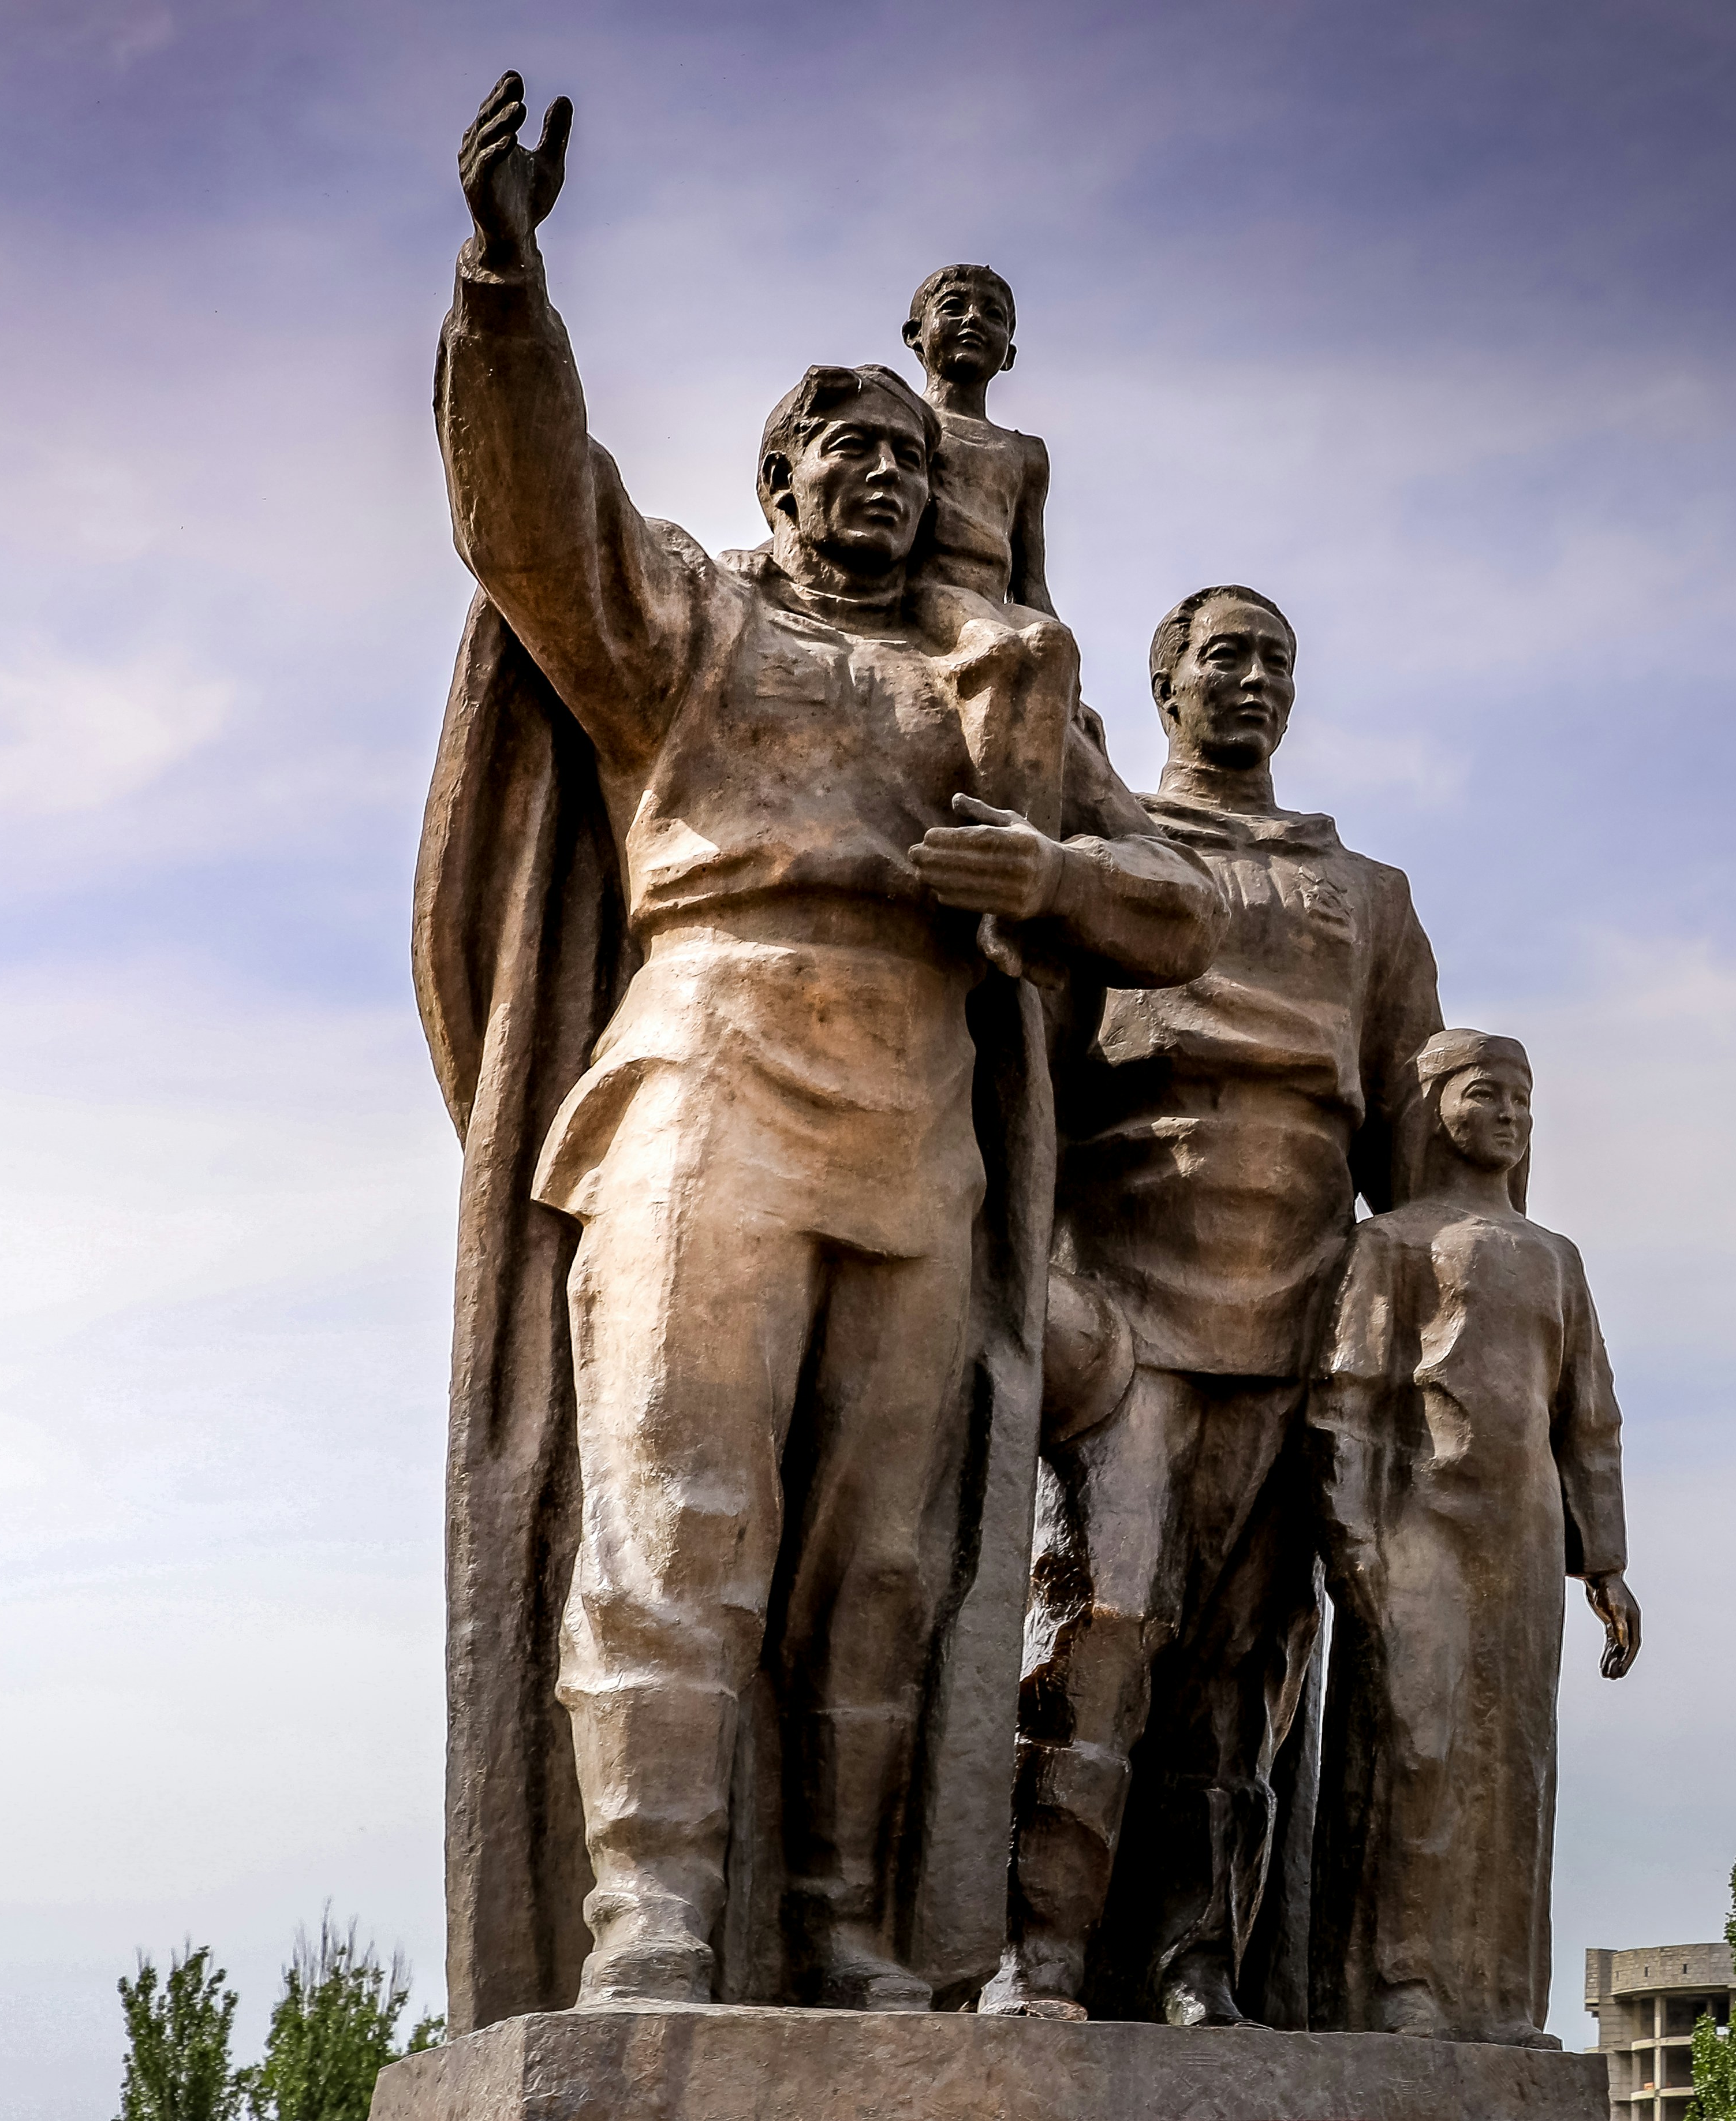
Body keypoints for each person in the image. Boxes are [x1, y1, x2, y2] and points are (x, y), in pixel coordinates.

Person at [416, 72, 1224, 2020]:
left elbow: (1175, 914)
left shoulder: (988, 672)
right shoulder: (686, 622)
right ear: (776, 491)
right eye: (836, 454)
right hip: (708, 1067)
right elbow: (535, 518)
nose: (876, 479)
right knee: (679, 1503)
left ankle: (850, 1926)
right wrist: (508, 283)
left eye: (899, 458)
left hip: (916, 1107)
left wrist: (1048, 872)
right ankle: (654, 1915)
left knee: (884, 1555)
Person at [995, 586, 1446, 2026]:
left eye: (1277, 662)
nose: (1254, 682)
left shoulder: (1363, 894)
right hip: (1120, 1291)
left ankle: (1197, 1959)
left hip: (1302, 1307)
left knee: (1244, 1670)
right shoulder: (1105, 849)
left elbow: (1425, 1145)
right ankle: (1040, 1954)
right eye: (1226, 657)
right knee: (1093, 1623)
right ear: (1164, 677)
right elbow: (1019, 1065)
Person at [1303, 1030, 1639, 2046]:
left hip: (1527, 1535)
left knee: (1514, 1760)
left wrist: (1608, 1561)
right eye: (1486, 1092)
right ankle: (1398, 1980)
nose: (1509, 1114)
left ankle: (1499, 1997)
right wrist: (1352, 1534)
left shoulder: (1555, 1259)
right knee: (1417, 1745)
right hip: (1418, 1524)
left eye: (1524, 1099)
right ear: (1435, 1106)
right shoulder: (1391, 1245)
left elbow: (1591, 1418)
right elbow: (1345, 1400)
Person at [898, 263, 1055, 616]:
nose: (973, 319)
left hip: (988, 611)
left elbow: (1030, 581)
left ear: (1009, 356)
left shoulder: (1027, 454)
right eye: (953, 307)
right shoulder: (899, 419)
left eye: (993, 314)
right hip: (913, 603)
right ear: (915, 334)